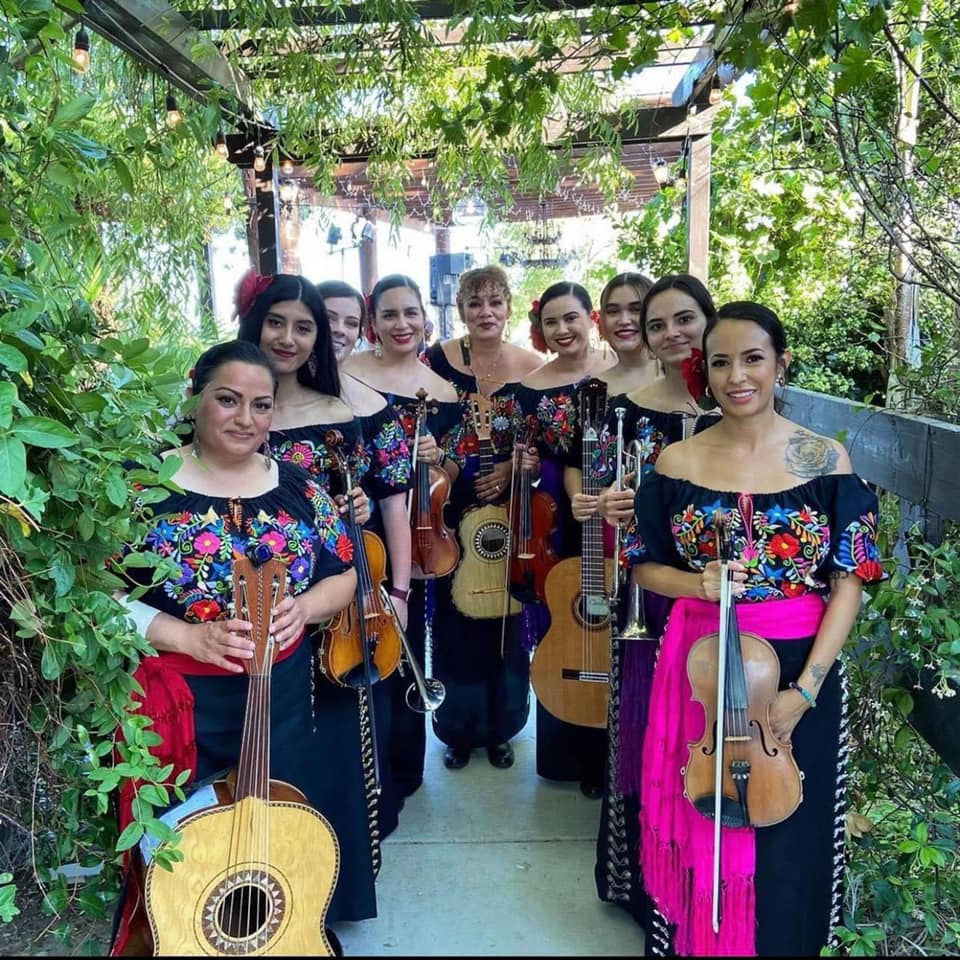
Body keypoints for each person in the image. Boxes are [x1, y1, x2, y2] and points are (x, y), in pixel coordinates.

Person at [630, 300, 885, 956]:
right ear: (704, 371)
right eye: (721, 362)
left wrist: (805, 691)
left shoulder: (825, 460)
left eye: (753, 358)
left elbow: (849, 580)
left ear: (781, 364)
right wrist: (697, 584)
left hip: (801, 663)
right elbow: (645, 570)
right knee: (704, 818)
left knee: (790, 831)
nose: (736, 375)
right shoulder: (675, 463)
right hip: (702, 669)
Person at [109, 340, 365, 956]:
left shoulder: (300, 487)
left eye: (261, 404)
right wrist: (187, 636)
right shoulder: (142, 488)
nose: (245, 418)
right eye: (228, 400)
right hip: (178, 705)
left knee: (274, 840)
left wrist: (303, 608)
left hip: (277, 700)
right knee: (179, 851)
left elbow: (347, 575)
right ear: (196, 397)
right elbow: (97, 596)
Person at [235, 272, 412, 870]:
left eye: (304, 327)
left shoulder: (343, 412)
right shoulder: (225, 406)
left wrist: (400, 590)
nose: (288, 338)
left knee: (341, 740)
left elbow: (386, 502)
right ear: (255, 321)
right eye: (277, 322)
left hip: (335, 601)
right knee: (269, 742)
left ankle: (334, 880)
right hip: (249, 605)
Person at [592, 274, 721, 922]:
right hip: (654, 597)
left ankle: (708, 876)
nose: (672, 334)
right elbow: (616, 499)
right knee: (649, 735)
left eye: (683, 320)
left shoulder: (741, 403)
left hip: (731, 602)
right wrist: (615, 505)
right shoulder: (634, 408)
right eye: (657, 324)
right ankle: (645, 885)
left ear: (709, 319)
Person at [342, 273, 463, 800]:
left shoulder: (442, 390)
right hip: (358, 524)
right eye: (389, 314)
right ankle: (365, 772)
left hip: (417, 528)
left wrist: (443, 462)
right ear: (374, 322)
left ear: (425, 319)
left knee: (407, 640)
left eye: (410, 313)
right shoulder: (346, 374)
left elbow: (460, 466)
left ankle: (405, 767)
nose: (401, 324)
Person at [422, 265, 543, 770]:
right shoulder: (436, 362)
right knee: (455, 628)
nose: (485, 311)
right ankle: (456, 730)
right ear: (461, 310)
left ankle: (502, 727)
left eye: (495, 301)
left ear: (509, 306)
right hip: (451, 512)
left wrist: (516, 470)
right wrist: (445, 472)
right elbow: (423, 431)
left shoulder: (534, 366)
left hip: (510, 513)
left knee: (507, 629)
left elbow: (542, 441)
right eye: (475, 302)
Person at [316, 278, 414, 844]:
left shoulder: (374, 410)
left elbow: (396, 508)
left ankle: (364, 822)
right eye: (325, 319)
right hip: (289, 587)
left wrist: (398, 593)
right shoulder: (268, 404)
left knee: (364, 699)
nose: (339, 332)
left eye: (350, 322)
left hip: (361, 583)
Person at [513, 281, 613, 796]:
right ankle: (560, 752)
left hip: (609, 507)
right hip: (556, 512)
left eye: (570, 317)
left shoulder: (620, 377)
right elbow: (524, 463)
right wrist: (528, 467)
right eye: (551, 322)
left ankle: (608, 756)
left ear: (590, 318)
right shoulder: (530, 387)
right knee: (563, 616)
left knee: (608, 616)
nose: (562, 330)